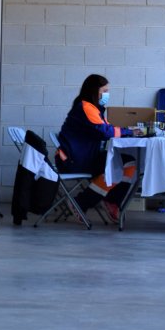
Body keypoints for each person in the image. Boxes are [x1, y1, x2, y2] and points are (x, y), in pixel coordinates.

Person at [55, 74, 135, 222]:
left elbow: (106, 128)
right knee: (118, 164)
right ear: (94, 91)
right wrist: (130, 132)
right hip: (74, 160)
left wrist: (125, 130)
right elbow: (106, 132)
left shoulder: (93, 108)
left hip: (83, 156)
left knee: (127, 162)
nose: (107, 94)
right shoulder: (86, 107)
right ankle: (81, 203)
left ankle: (111, 201)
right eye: (104, 91)